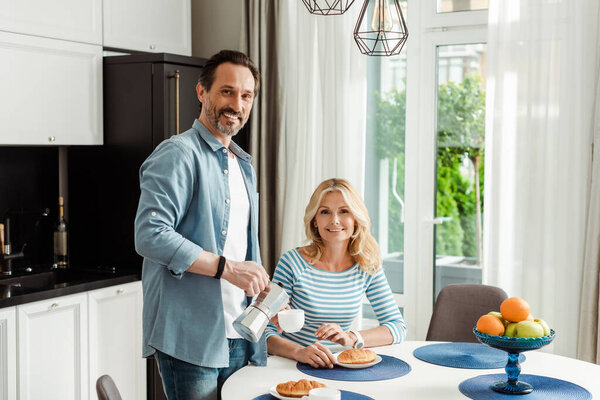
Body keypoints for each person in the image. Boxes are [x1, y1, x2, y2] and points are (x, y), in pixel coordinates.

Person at [134, 50, 272, 400]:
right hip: (191, 337)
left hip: (240, 332)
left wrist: (260, 292)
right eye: (226, 91)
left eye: (246, 95)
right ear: (201, 92)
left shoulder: (243, 165)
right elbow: (150, 234)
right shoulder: (177, 154)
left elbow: (238, 247)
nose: (236, 104)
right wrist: (227, 269)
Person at [265, 178, 407, 368]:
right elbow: (265, 331)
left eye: (344, 211)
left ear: (355, 219)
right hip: (293, 364)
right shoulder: (291, 262)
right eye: (325, 212)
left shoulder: (366, 265)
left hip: (341, 366)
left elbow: (397, 327)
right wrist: (299, 352)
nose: (335, 220)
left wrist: (351, 337)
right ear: (315, 220)